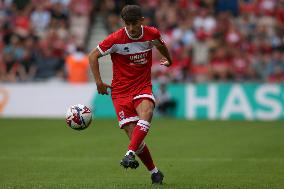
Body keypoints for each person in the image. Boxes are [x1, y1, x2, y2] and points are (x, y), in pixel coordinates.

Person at [88, 5, 172, 185]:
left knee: (147, 112)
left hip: (142, 87)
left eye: (134, 23)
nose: (131, 28)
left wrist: (169, 59)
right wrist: (99, 82)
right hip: (120, 93)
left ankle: (129, 154)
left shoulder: (151, 33)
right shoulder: (116, 38)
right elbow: (92, 56)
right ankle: (155, 173)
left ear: (142, 21)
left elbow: (161, 45)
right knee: (136, 138)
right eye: (127, 24)